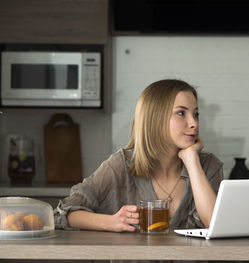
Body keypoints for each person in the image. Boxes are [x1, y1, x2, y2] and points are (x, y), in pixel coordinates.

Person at [54, 79, 223, 235]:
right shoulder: (121, 164)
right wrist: (110, 222)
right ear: (155, 118)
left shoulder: (208, 165)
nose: (194, 123)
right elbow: (64, 213)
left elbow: (214, 224)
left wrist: (192, 160)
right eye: (181, 113)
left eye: (196, 114)